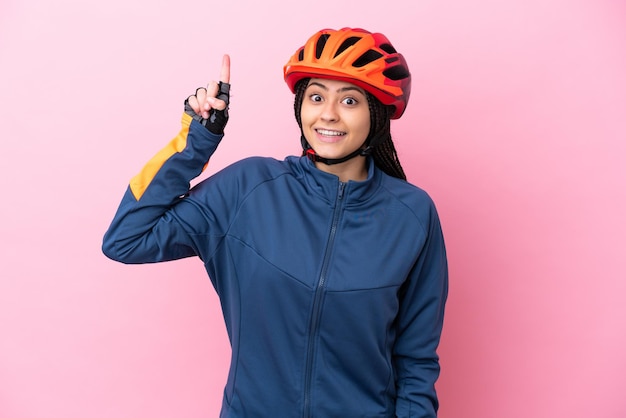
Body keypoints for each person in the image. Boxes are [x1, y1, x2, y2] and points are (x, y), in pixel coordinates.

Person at [103, 27, 448, 418]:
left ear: (377, 114)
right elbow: (126, 240)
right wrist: (196, 139)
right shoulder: (248, 188)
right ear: (301, 105)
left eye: (349, 100)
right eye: (317, 97)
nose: (328, 114)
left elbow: (416, 359)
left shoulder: (412, 214)